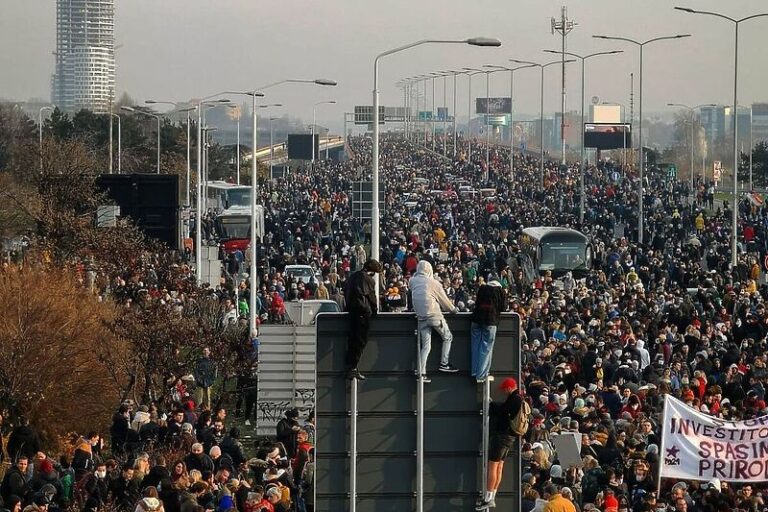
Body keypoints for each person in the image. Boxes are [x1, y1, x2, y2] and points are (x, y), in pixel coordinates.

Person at [477, 377, 523, 511]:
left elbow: (502, 412)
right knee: (500, 467)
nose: (504, 392)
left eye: (504, 389)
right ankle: (493, 496)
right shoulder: (519, 398)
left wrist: (491, 405)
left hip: (502, 436)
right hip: (510, 437)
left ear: (509, 387)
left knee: (493, 465)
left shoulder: (514, 398)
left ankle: (488, 498)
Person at [410, 260, 459, 380]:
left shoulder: (412, 281)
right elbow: (445, 302)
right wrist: (453, 310)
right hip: (434, 316)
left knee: (426, 346)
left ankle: (421, 373)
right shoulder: (434, 283)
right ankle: (444, 363)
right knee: (447, 337)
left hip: (421, 318)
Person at [344, 259, 381, 380]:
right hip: (363, 313)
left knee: (352, 339)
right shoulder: (368, 279)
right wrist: (375, 310)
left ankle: (351, 366)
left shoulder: (353, 277)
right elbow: (371, 296)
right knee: (360, 341)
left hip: (352, 312)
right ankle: (353, 367)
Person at [471, 278, 505, 383]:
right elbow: (502, 307)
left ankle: (474, 371)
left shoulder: (482, 288)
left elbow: (476, 303)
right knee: (486, 348)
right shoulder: (499, 291)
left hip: (476, 320)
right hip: (490, 321)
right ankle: (481, 375)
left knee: (475, 345)